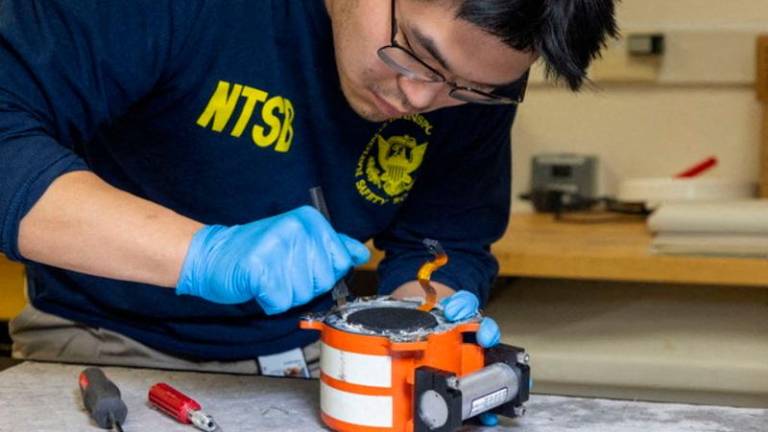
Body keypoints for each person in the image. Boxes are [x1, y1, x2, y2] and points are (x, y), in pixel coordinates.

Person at [0, 0, 616, 425]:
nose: (421, 99)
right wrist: (201, 254)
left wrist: (422, 316)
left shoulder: (472, 82)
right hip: (104, 350)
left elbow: (445, 236)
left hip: (322, 357)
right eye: (417, 56)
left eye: (465, 89)